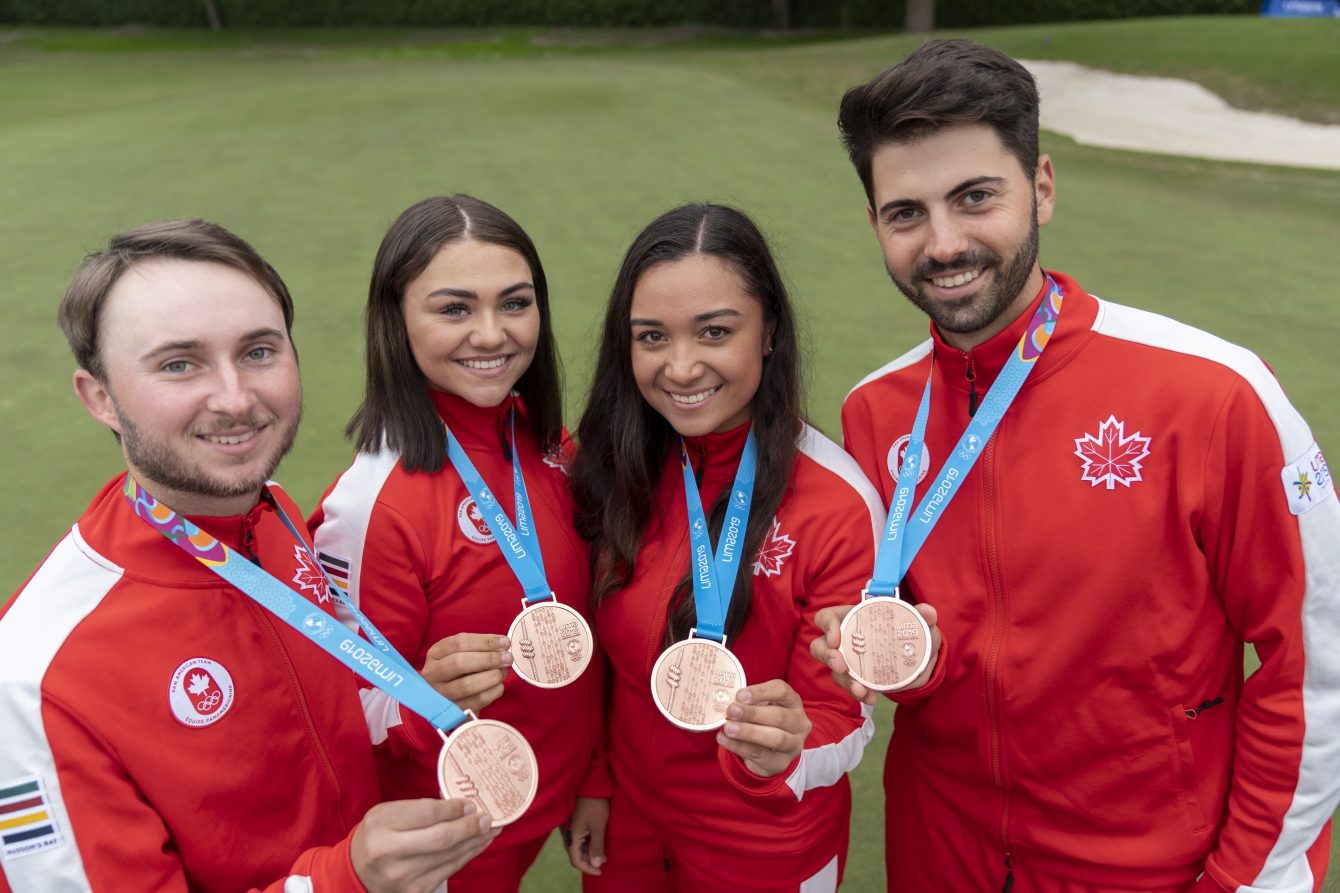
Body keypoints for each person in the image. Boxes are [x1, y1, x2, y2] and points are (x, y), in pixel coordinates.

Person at [810, 38, 1340, 893]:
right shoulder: (876, 411)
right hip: (941, 855)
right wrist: (903, 659)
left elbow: (1319, 656)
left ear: (1043, 187)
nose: (944, 243)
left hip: (1152, 866)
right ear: (875, 223)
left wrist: (1252, 878)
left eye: (975, 197)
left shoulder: (1212, 390)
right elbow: (930, 654)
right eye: (907, 212)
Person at [0, 219, 497, 893]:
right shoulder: (32, 676)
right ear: (99, 398)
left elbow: (316, 728)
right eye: (179, 363)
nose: (236, 398)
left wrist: (411, 704)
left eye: (259, 351)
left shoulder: (269, 515)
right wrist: (340, 881)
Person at [567, 203, 881, 892]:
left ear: (768, 329)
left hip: (766, 848)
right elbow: (604, 668)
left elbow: (845, 718)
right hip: (630, 839)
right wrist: (595, 779)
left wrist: (787, 754)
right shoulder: (616, 467)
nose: (681, 368)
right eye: (652, 336)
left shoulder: (836, 502)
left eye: (714, 331)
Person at [309, 194, 602, 893]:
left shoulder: (546, 440)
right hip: (448, 836)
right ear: (395, 320)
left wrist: (594, 775)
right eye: (454, 309)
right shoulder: (368, 507)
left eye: (515, 302)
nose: (492, 333)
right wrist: (422, 695)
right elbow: (340, 712)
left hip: (553, 796)